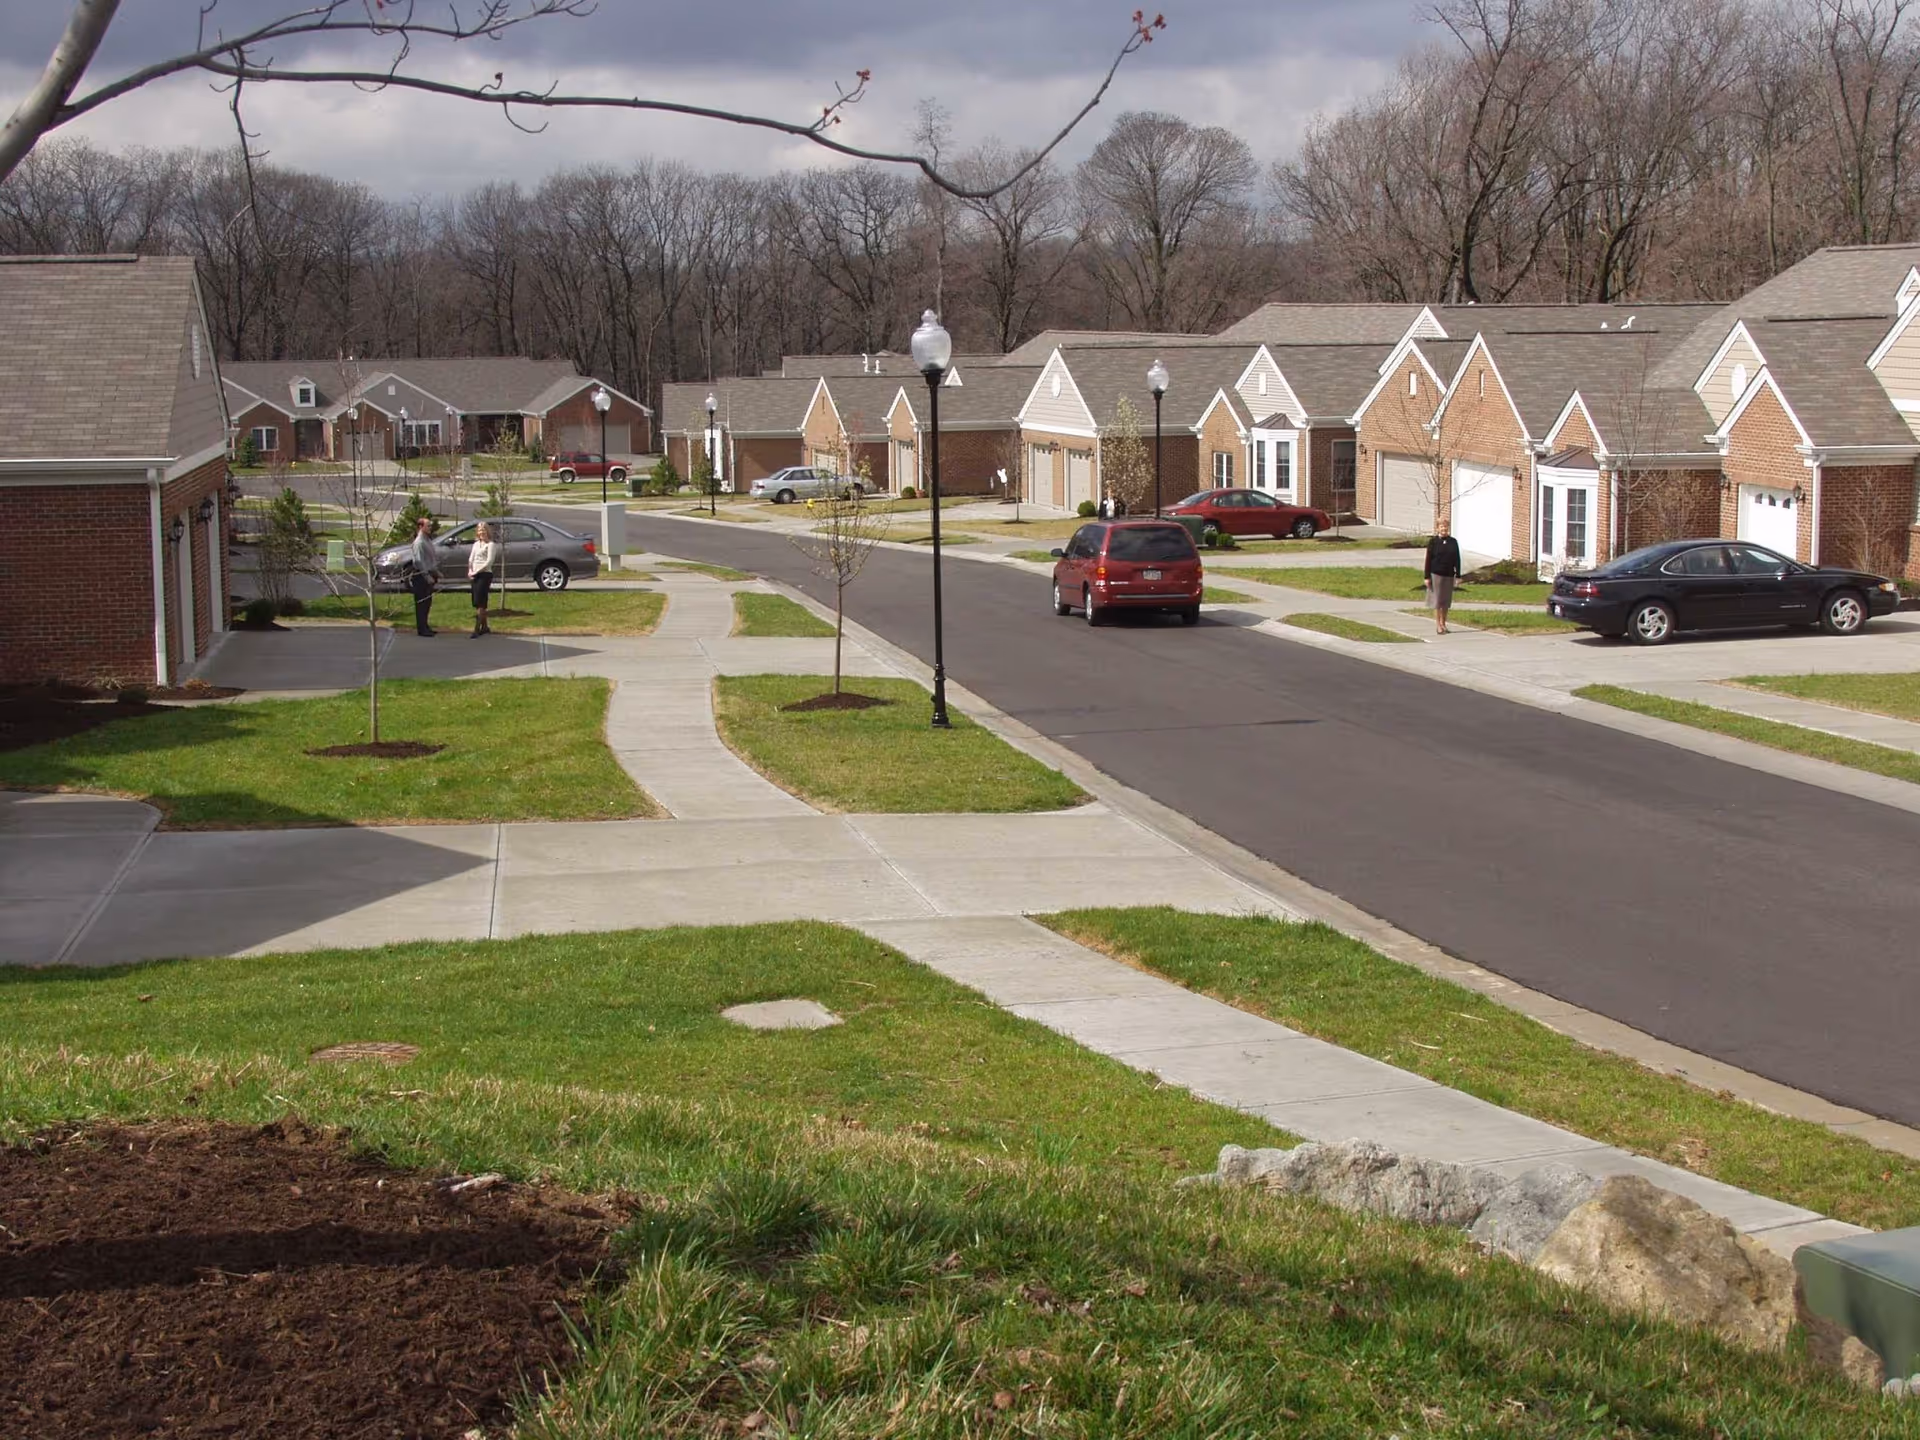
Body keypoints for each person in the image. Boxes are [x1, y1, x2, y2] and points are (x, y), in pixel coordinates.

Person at [1424, 518, 1463, 635]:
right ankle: (1438, 626)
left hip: (1449, 575)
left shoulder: (1453, 542)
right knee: (1437, 601)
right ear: (1438, 528)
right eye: (1441, 527)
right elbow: (1428, 560)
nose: (1444, 529)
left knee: (1446, 602)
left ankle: (1444, 623)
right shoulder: (1433, 542)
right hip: (1436, 574)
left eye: (1446, 527)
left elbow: (1457, 559)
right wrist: (1426, 577)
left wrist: (1458, 575)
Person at [408, 515, 441, 637]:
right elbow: (419, 562)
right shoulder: (419, 542)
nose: (430, 528)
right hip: (421, 577)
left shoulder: (427, 540)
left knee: (427, 603)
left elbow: (430, 558)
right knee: (421, 604)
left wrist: (436, 571)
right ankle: (421, 629)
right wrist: (427, 576)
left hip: (429, 574)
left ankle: (425, 625)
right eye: (428, 526)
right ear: (421, 527)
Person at [467, 520, 501, 638]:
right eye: (480, 530)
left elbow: (488, 562)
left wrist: (477, 571)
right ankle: (485, 627)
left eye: (484, 530)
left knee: (481, 602)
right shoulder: (476, 544)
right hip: (475, 575)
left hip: (484, 575)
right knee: (477, 603)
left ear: (487, 531)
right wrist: (470, 571)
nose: (482, 532)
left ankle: (477, 629)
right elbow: (471, 559)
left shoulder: (491, 545)